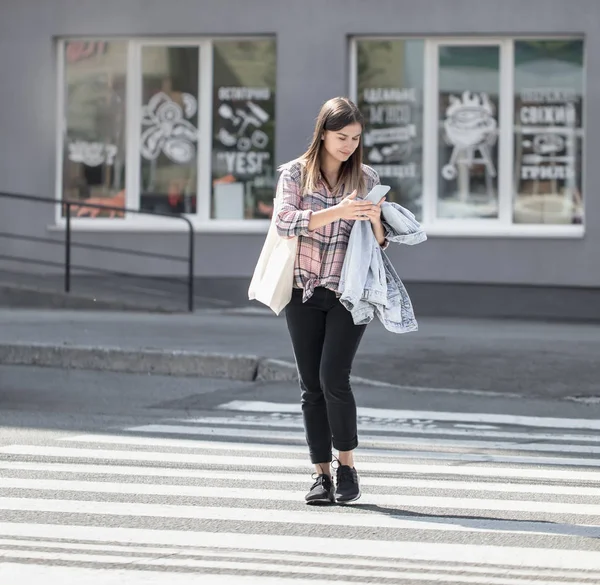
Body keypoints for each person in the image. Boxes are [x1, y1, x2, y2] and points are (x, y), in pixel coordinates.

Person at [275, 97, 387, 505]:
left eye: (356, 139)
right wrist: (338, 211)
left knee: (334, 378)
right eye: (342, 137)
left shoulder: (367, 177)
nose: (349, 146)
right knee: (311, 387)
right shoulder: (294, 174)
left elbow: (381, 244)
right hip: (302, 291)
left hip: (349, 293)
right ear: (322, 133)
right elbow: (284, 222)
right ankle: (321, 475)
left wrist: (375, 218)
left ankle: (348, 466)